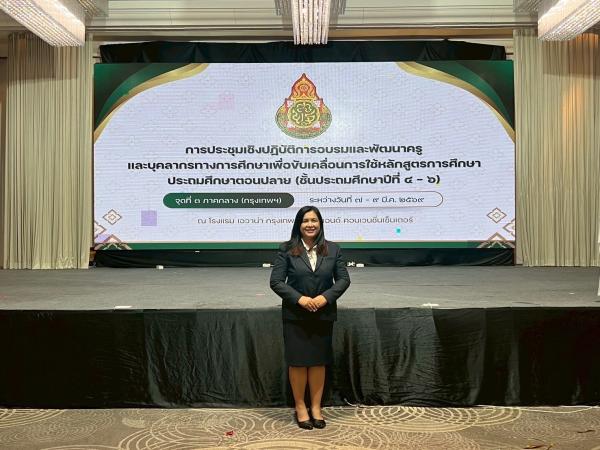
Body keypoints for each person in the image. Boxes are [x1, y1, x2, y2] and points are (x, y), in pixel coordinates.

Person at [270, 205, 351, 430]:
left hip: (323, 315)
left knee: (317, 363)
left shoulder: (333, 249)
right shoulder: (286, 249)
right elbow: (276, 281)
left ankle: (316, 408)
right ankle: (300, 407)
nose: (310, 224)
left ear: (320, 223)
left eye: (314, 220)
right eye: (305, 220)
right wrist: (301, 299)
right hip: (296, 315)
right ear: (299, 224)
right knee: (298, 363)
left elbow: (343, 279)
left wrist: (325, 298)